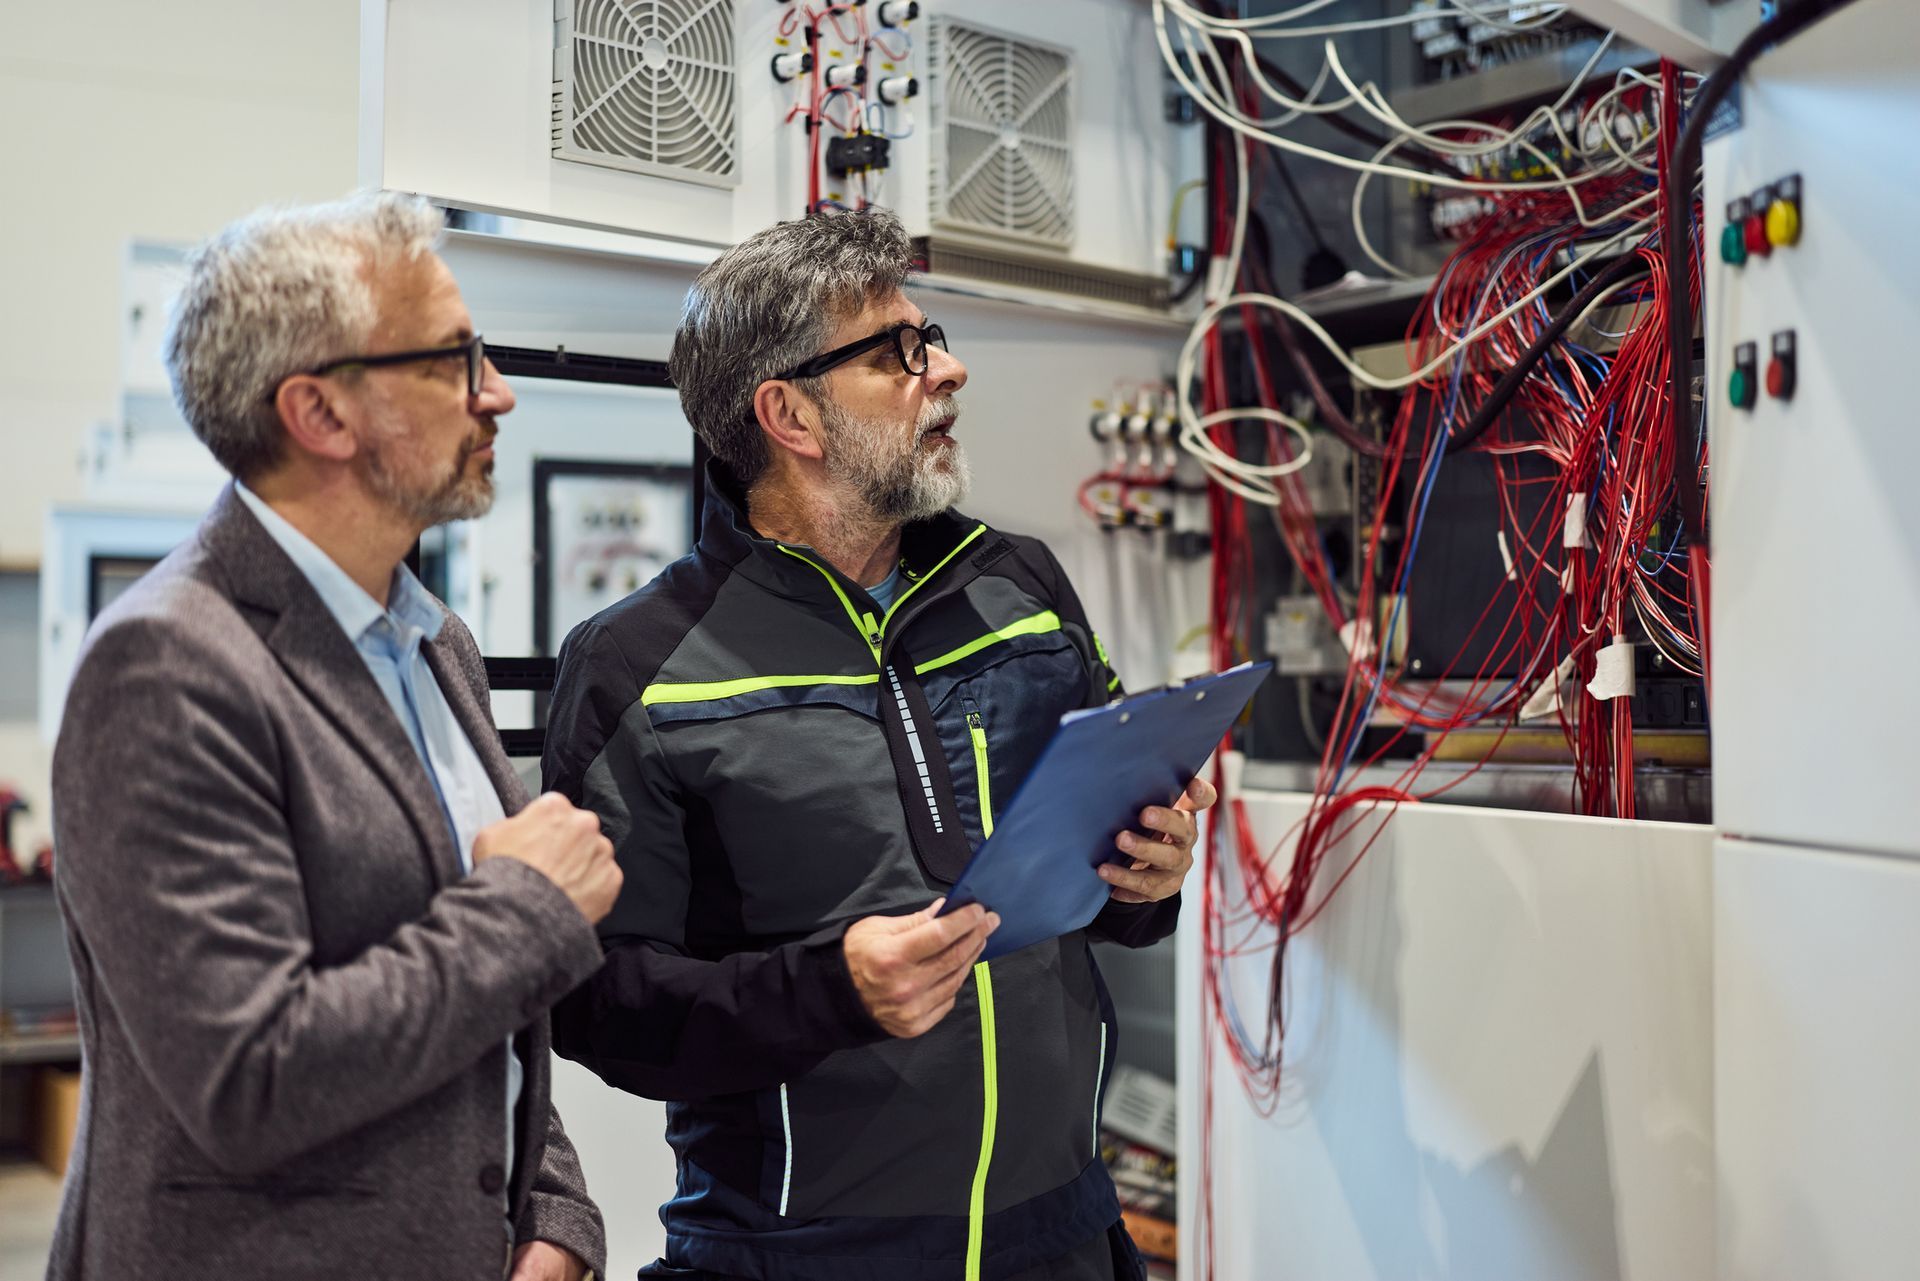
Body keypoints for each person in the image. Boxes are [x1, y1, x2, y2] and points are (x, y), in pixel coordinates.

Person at [543, 208, 1217, 1281]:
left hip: (1067, 1239)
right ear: (789, 414)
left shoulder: (1023, 588)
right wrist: (832, 991)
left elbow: (1115, 901)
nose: (946, 370)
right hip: (803, 1257)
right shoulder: (638, 667)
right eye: (900, 350)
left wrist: (1150, 878)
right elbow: (599, 1006)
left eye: (931, 335)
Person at [49, 192, 619, 1281]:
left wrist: (554, 1213)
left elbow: (489, 1029)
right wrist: (527, 908)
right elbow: (250, 1078)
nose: (495, 393)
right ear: (320, 413)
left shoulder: (429, 641)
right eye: (454, 358)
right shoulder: (168, 667)